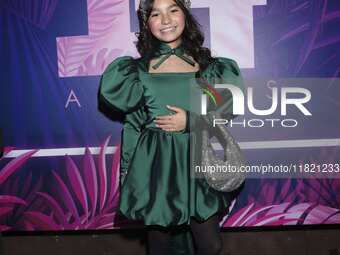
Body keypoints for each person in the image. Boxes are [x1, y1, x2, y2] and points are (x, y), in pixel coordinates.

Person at [98, 0, 244, 254]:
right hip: (156, 167)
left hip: (196, 161)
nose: (166, 20)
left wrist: (192, 121)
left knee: (211, 244)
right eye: (156, 13)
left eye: (173, 10)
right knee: (160, 245)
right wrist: (128, 175)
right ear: (146, 24)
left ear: (185, 16)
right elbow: (133, 126)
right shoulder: (137, 71)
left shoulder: (209, 67)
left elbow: (223, 115)